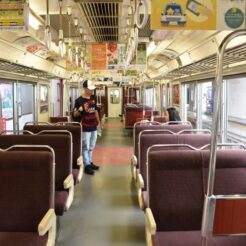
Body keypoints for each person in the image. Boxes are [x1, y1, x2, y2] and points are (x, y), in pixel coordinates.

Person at [73, 80, 100, 175]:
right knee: (85, 146)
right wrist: (80, 109)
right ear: (84, 88)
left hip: (93, 125)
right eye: (90, 89)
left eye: (93, 89)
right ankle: (87, 165)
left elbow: (95, 110)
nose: (92, 91)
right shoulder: (78, 101)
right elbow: (75, 115)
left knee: (92, 146)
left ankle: (90, 162)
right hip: (85, 126)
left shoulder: (93, 97)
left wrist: (99, 122)